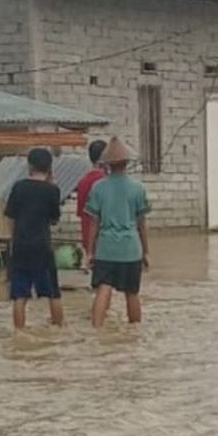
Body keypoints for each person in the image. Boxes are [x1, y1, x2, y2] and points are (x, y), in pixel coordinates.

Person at [85, 137, 151, 328]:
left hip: (106, 248)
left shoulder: (98, 188)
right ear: (127, 163)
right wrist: (146, 252)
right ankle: (135, 332)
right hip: (131, 248)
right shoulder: (138, 189)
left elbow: (93, 223)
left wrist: (90, 251)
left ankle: (96, 332)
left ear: (107, 164)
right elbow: (142, 223)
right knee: (132, 292)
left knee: (103, 289)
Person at [3, 147, 63, 328]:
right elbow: (54, 219)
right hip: (43, 247)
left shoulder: (18, 187)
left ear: (29, 165)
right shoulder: (52, 190)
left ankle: (19, 333)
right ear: (50, 167)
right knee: (53, 293)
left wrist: (15, 240)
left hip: (21, 247)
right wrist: (51, 184)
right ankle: (58, 329)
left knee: (19, 295)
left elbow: (11, 219)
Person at [75, 140, 108, 266]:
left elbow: (81, 212)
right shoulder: (106, 182)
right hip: (106, 239)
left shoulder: (82, 182)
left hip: (88, 238)